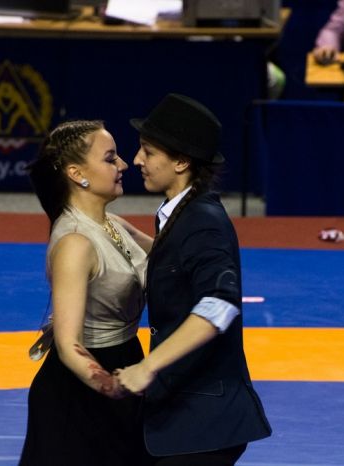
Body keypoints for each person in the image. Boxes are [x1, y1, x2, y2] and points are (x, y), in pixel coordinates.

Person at [116, 93, 272, 465]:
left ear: (182, 161)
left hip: (205, 421)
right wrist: (131, 236)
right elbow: (181, 262)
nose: (137, 160)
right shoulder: (182, 213)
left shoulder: (202, 222)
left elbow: (219, 304)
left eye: (148, 151)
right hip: (186, 411)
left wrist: (148, 366)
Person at [19, 120, 152, 465]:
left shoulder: (113, 224)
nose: (123, 164)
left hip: (126, 360)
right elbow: (68, 345)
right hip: (80, 394)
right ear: (77, 174)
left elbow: (173, 258)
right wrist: (114, 388)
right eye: (110, 158)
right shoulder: (75, 243)